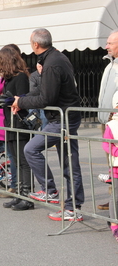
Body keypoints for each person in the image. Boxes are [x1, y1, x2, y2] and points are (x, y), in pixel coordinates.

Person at [12, 28, 84, 220]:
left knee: (31, 149)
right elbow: (48, 91)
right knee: (70, 164)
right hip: (64, 116)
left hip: (62, 119)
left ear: (35, 44)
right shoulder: (55, 58)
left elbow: (46, 98)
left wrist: (21, 102)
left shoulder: (52, 63)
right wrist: (22, 99)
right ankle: (72, 208)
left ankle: (51, 191)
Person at [0, 45, 33, 211]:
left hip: (19, 123)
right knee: (15, 159)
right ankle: (19, 194)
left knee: (23, 161)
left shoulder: (20, 77)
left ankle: (27, 196)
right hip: (10, 123)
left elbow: (21, 99)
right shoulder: (9, 79)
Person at [97, 29, 118, 211]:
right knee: (111, 166)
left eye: (110, 43)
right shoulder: (109, 65)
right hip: (106, 123)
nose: (106, 46)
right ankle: (114, 199)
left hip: (116, 124)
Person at [102, 91, 118, 243]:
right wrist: (116, 151)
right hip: (116, 168)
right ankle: (114, 224)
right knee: (116, 196)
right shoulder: (112, 125)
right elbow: (106, 143)